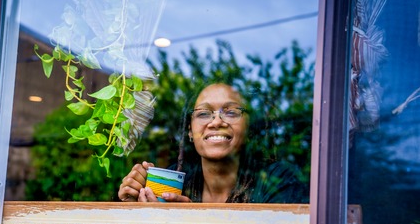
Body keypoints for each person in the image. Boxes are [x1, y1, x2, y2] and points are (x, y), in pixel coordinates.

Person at [118, 83, 307, 203]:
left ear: (249, 128)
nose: (216, 122)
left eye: (231, 112)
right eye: (203, 113)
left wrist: (188, 223)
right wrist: (133, 206)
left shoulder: (279, 181)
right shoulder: (176, 179)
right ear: (191, 131)